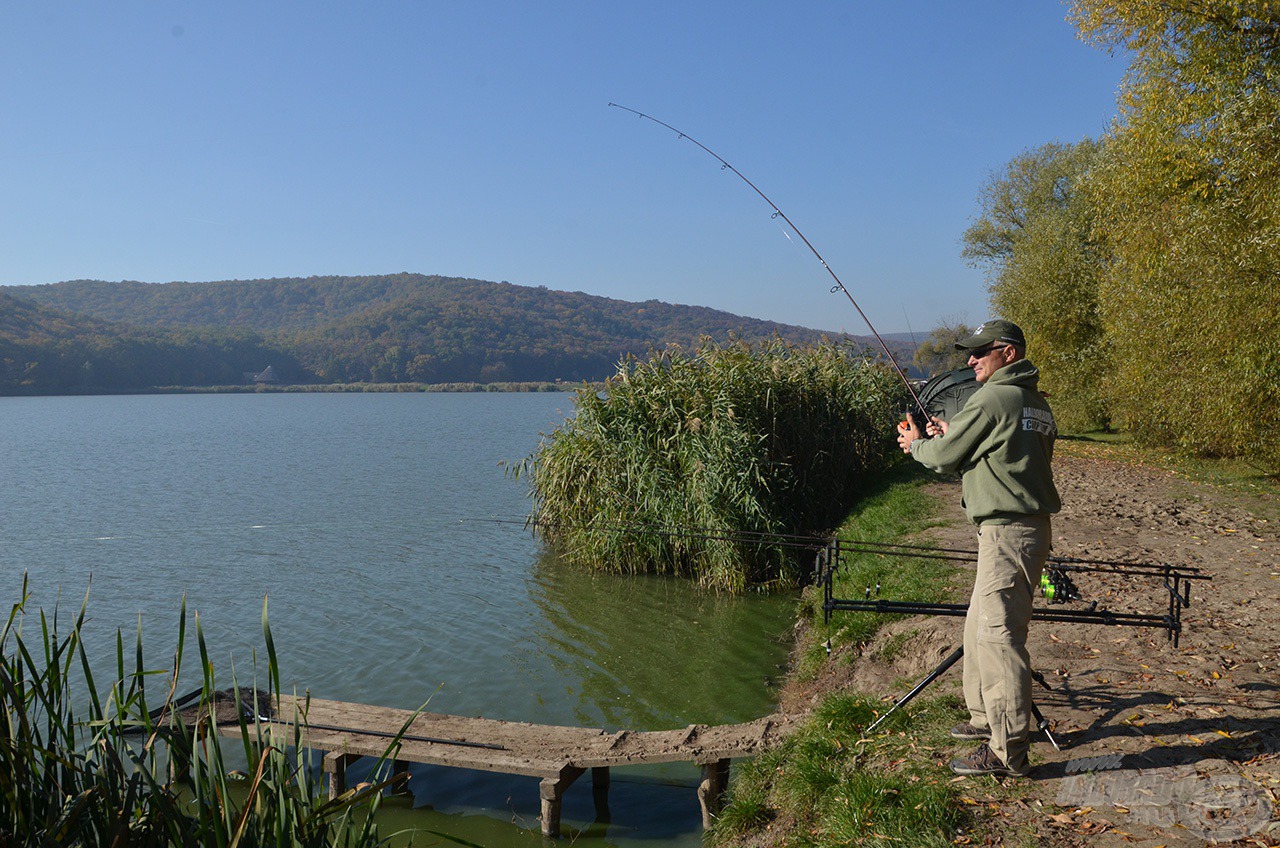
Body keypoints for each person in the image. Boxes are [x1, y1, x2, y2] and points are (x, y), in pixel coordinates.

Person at [895, 319, 1060, 777]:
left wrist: (918, 444)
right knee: (978, 627)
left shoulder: (993, 397)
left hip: (1008, 533)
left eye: (980, 352)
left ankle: (1007, 753)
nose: (970, 360)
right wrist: (954, 431)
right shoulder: (1033, 403)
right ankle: (983, 718)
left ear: (1008, 353)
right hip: (1022, 530)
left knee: (998, 638)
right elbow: (1004, 453)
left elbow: (945, 458)